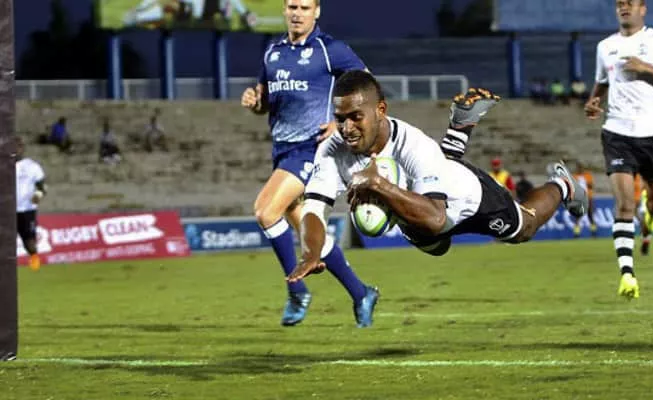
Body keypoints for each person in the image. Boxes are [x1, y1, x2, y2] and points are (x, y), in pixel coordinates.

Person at [286, 72, 588, 285]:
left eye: (355, 117)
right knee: (437, 247)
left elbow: (435, 218)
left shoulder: (413, 144)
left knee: (524, 228)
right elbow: (314, 209)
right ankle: (458, 133)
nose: (347, 128)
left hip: (465, 198)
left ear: (380, 110)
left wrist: (379, 185)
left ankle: (563, 185)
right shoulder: (332, 149)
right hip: (418, 212)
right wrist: (311, 253)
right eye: (340, 118)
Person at [240, 0, 377, 327]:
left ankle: (297, 291)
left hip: (312, 149)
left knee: (265, 211)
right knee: (309, 232)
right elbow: (266, 103)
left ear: (316, 12)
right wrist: (255, 102)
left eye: (304, 7)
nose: (297, 13)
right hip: (282, 150)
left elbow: (368, 88)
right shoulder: (272, 52)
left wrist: (341, 122)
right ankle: (361, 293)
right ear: (284, 10)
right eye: (292, 6)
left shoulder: (330, 50)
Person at [584, 0, 653, 299]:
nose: (624, 7)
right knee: (624, 205)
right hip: (617, 132)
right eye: (619, 3)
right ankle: (627, 275)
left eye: (629, 3)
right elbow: (602, 81)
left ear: (642, 9)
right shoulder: (605, 46)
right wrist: (594, 101)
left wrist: (645, 67)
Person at [14, 136, 47, 272]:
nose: (15, 150)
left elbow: (42, 186)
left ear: (22, 148)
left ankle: (34, 262)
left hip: (27, 209)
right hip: (6, 210)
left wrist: (38, 195)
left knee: (29, 241)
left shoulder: (32, 166)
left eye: (18, 146)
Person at [572, 161, 597, 238]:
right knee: (578, 216)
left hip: (588, 198)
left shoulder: (587, 175)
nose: (580, 169)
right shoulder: (574, 176)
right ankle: (576, 233)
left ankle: (593, 232)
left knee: (590, 215)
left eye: (581, 168)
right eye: (578, 168)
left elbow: (591, 186)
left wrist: (588, 184)